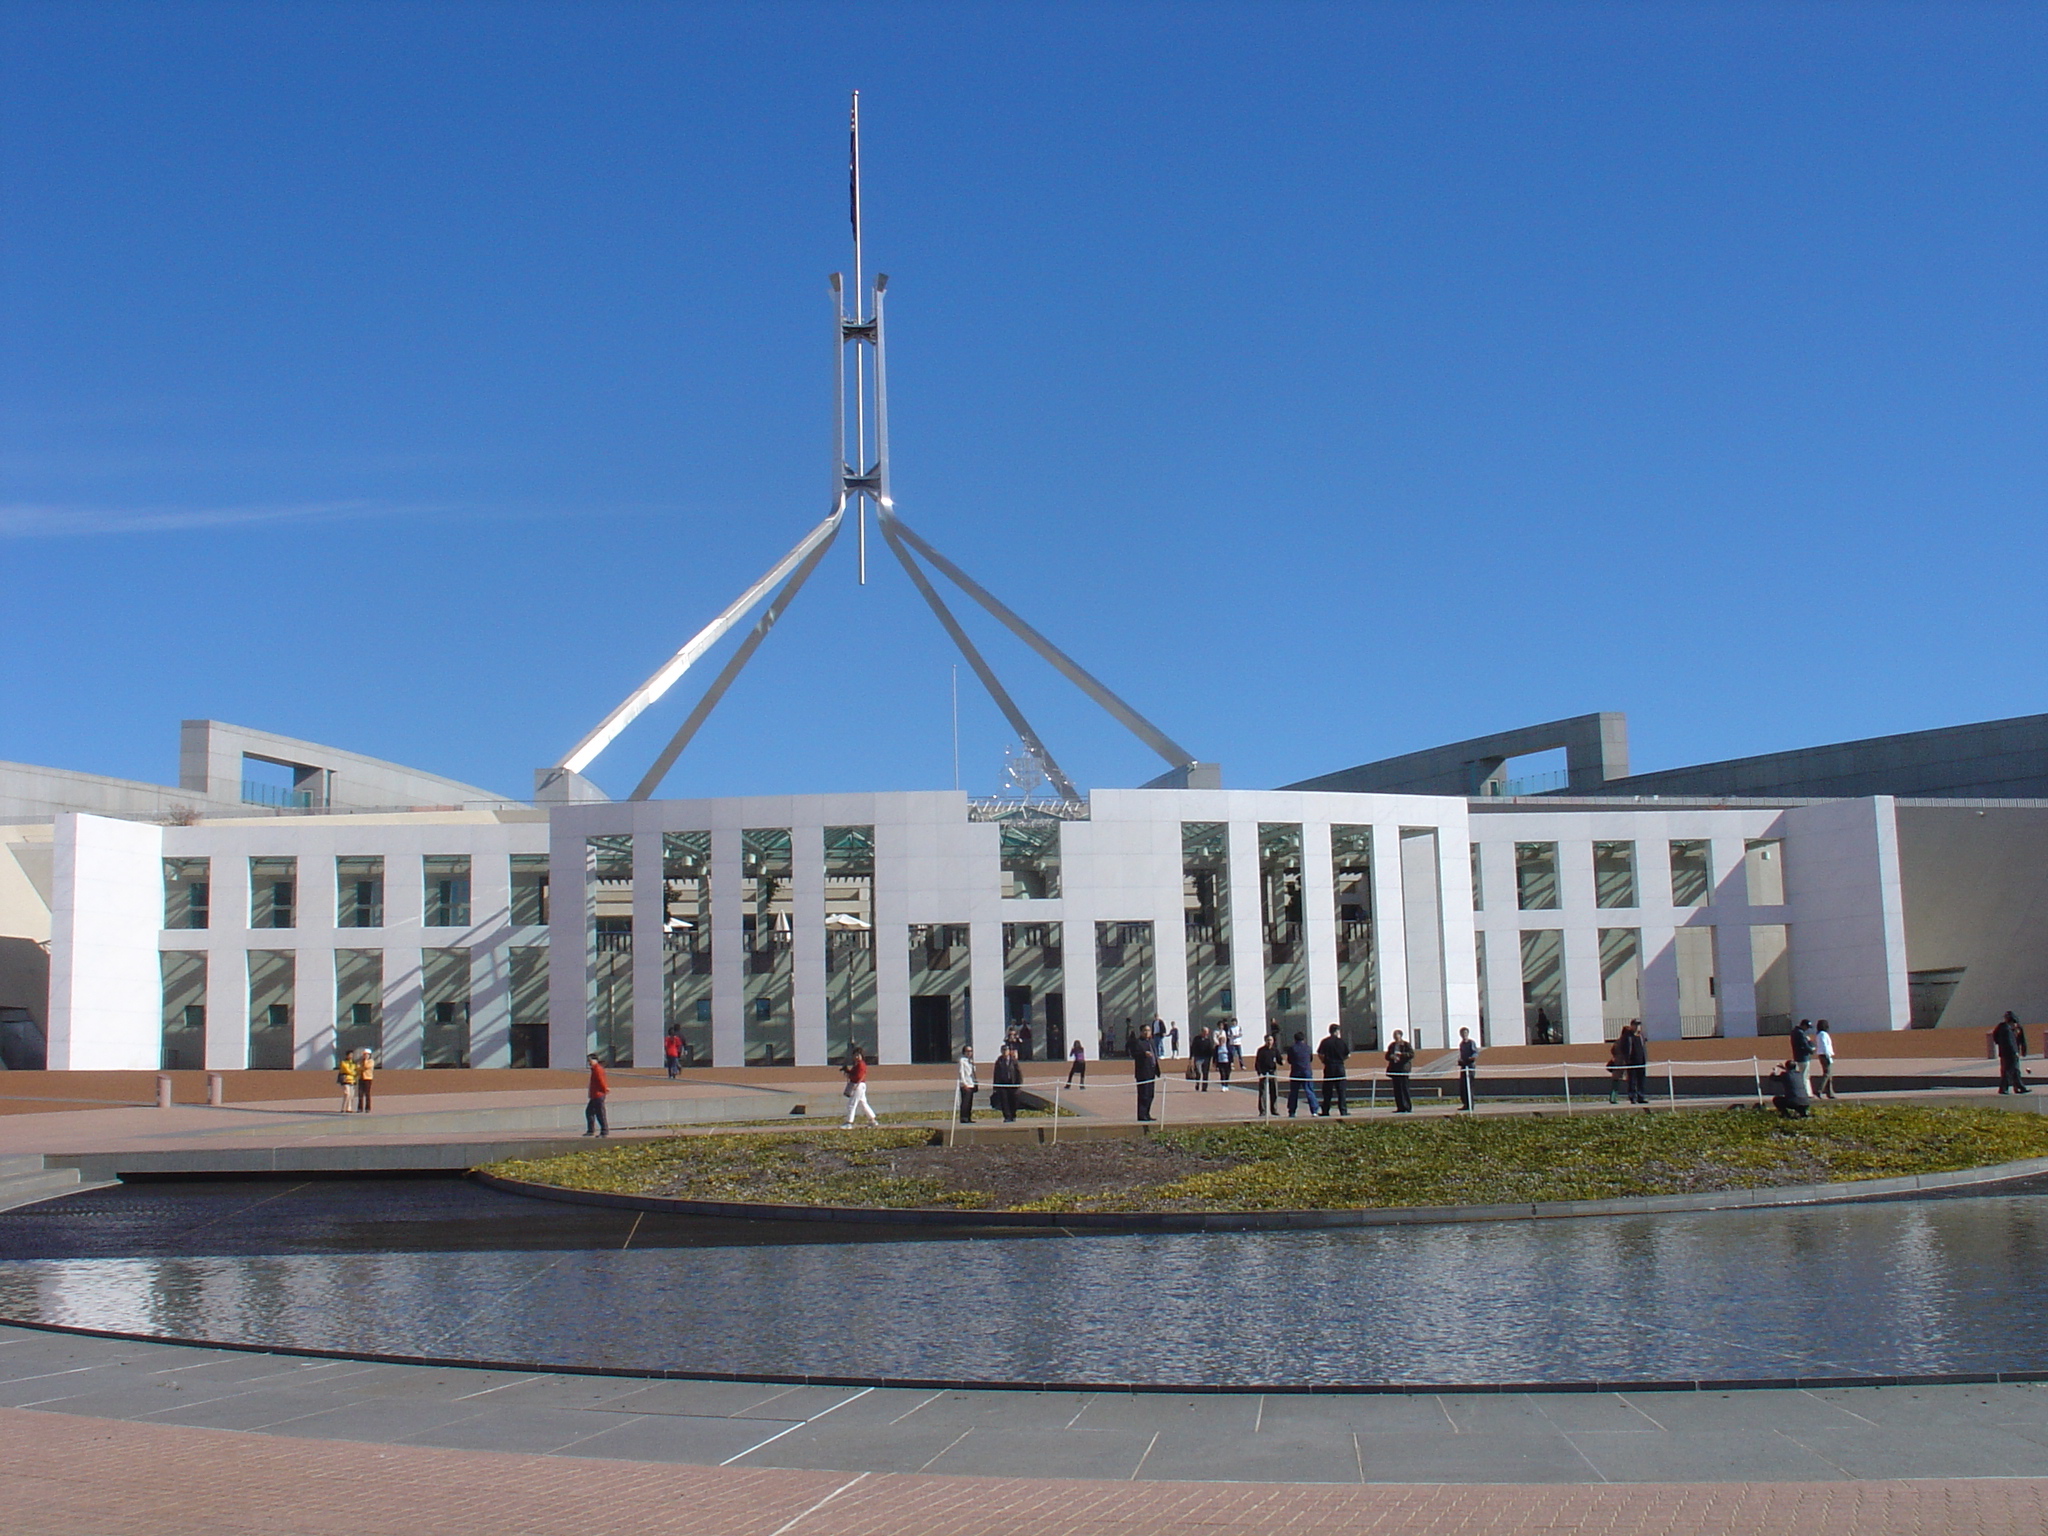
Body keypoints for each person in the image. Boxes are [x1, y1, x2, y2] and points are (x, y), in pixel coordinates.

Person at [1993, 1011, 2031, 1095]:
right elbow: (2009, 1042)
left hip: (2008, 1052)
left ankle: (2019, 1087)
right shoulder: (2005, 1029)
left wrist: (2023, 1051)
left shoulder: (2012, 1028)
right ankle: (2004, 1088)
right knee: (2008, 1071)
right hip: (2009, 1053)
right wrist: (2015, 1052)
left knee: (2015, 1071)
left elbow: (2022, 1040)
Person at [1317, 1024, 1351, 1117]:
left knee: (1327, 1090)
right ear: (1337, 1031)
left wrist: (1323, 1061)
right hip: (1339, 1067)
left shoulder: (1325, 1042)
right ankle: (1343, 1110)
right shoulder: (1341, 1042)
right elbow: (1348, 1055)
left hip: (1329, 1067)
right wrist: (1341, 1060)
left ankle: (1325, 1110)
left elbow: (1320, 1054)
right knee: (1341, 1090)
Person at [1285, 1031, 1322, 1117]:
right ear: (1304, 1039)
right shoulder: (1308, 1048)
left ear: (1294, 1039)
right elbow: (1310, 1059)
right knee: (1309, 1091)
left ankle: (1292, 1111)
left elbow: (1289, 1060)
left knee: (1294, 1092)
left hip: (1295, 1072)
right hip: (1306, 1071)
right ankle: (1314, 1110)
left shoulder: (1292, 1048)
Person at [841, 1045, 878, 1127]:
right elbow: (854, 1074)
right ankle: (872, 1120)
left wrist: (849, 1075)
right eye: (855, 1055)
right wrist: (847, 1071)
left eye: (858, 1055)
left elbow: (857, 1076)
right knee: (862, 1103)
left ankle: (849, 1122)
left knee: (852, 1103)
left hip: (857, 1085)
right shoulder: (858, 1064)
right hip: (860, 1085)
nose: (856, 1057)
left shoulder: (860, 1065)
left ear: (862, 1056)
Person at [1384, 1030, 1414, 1114]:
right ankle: (1400, 1107)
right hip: (1395, 1069)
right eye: (1394, 1035)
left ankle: (1407, 1107)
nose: (1395, 1037)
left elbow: (1411, 1054)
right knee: (1397, 1089)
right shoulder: (1392, 1045)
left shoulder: (1406, 1044)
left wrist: (1401, 1054)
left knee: (1404, 1088)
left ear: (1400, 1036)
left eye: (1396, 1035)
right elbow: (1387, 1056)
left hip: (1403, 1069)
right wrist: (1391, 1056)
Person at [993, 1044, 1023, 1122]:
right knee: (1004, 1101)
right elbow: (996, 1073)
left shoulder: (1013, 1061)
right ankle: (1007, 1116)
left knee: (1013, 1100)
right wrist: (995, 1086)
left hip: (1012, 1084)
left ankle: (1013, 1115)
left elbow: (1018, 1072)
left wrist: (1019, 1083)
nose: (1004, 1052)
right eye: (1003, 1050)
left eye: (1006, 1050)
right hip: (1002, 1084)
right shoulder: (999, 1061)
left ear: (1009, 1051)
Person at [1623, 1019, 1649, 1105]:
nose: (1637, 1027)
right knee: (1632, 1080)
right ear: (1632, 1025)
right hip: (1631, 1062)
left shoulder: (1641, 1036)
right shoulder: (1628, 1036)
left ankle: (1641, 1096)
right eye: (1635, 1025)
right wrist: (1626, 1059)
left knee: (1641, 1080)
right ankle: (1632, 1097)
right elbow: (1624, 1048)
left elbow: (1643, 1047)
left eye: (1638, 1025)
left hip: (1641, 1061)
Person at [583, 1052, 610, 1137]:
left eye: (589, 1060)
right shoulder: (595, 1069)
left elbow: (601, 1080)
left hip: (598, 1095)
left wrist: (604, 1089)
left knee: (600, 1113)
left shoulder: (597, 1069)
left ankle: (604, 1131)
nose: (588, 1062)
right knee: (589, 1112)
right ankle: (591, 1130)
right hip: (595, 1095)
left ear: (594, 1060)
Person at [1134, 1034, 1159, 1122]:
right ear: (1141, 1032)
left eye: (1148, 1030)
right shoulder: (1138, 1042)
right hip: (1142, 1073)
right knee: (1143, 1094)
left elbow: (1155, 1056)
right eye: (1145, 1030)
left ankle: (1147, 1113)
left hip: (1151, 1072)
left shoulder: (1151, 1042)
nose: (1147, 1032)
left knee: (1150, 1095)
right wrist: (1143, 1054)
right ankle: (1141, 1115)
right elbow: (1134, 1054)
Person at [1255, 1034, 1281, 1117]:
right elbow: (1257, 1063)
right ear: (1265, 1041)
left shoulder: (1275, 1050)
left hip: (1272, 1072)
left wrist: (1282, 1062)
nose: (1269, 1042)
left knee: (1274, 1091)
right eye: (1268, 1040)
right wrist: (1260, 1072)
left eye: (1271, 1040)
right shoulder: (1261, 1050)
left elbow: (1279, 1059)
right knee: (1263, 1092)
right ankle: (1263, 1110)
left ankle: (1274, 1109)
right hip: (1264, 1072)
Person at [1812, 1019, 1838, 1100]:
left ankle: (1830, 1093)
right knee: (1827, 1074)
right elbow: (1824, 1046)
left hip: (1823, 1054)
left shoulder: (1819, 1034)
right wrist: (1827, 1055)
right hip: (1825, 1055)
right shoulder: (1823, 1034)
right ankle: (1819, 1090)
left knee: (1829, 1075)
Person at [1456, 1027, 1479, 1112]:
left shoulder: (1471, 1043)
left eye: (1465, 1033)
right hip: (1463, 1066)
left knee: (1470, 1085)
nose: (1464, 1035)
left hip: (1470, 1066)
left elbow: (1475, 1053)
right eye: (1462, 1033)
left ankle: (1470, 1105)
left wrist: (1471, 1058)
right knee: (1463, 1086)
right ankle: (1465, 1104)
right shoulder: (1461, 1044)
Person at [957, 1045, 978, 1123]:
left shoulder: (970, 1061)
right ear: (964, 1052)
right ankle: (964, 1117)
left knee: (969, 1102)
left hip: (971, 1083)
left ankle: (968, 1117)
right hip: (966, 1084)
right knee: (965, 1102)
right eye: (968, 1051)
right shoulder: (962, 1061)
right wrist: (964, 1083)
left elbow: (973, 1073)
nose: (970, 1053)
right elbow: (961, 1072)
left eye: (971, 1051)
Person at [1605, 1030, 1628, 1105]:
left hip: (1618, 1063)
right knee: (1616, 1081)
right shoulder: (1623, 1042)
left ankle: (1613, 1097)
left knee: (1615, 1081)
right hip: (1620, 1063)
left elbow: (1612, 1050)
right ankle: (1613, 1098)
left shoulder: (1617, 1042)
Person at [1190, 1027, 1213, 1091]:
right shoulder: (1196, 1039)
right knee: (1199, 1072)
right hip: (1198, 1058)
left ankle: (1204, 1087)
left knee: (1205, 1073)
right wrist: (1191, 1057)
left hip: (1206, 1058)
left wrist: (1212, 1058)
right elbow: (1193, 1048)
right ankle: (1197, 1083)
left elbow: (1210, 1049)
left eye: (1207, 1032)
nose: (1206, 1034)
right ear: (1202, 1032)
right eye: (1205, 1032)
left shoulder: (1208, 1040)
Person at [355, 1048, 375, 1113]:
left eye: (367, 1054)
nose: (365, 1056)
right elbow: (357, 1068)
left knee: (367, 1093)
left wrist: (365, 1061)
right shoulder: (360, 1061)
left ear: (369, 1055)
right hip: (361, 1078)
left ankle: (368, 1108)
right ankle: (360, 1108)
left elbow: (366, 1066)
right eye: (364, 1054)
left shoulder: (371, 1061)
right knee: (360, 1094)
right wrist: (360, 1068)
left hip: (368, 1079)